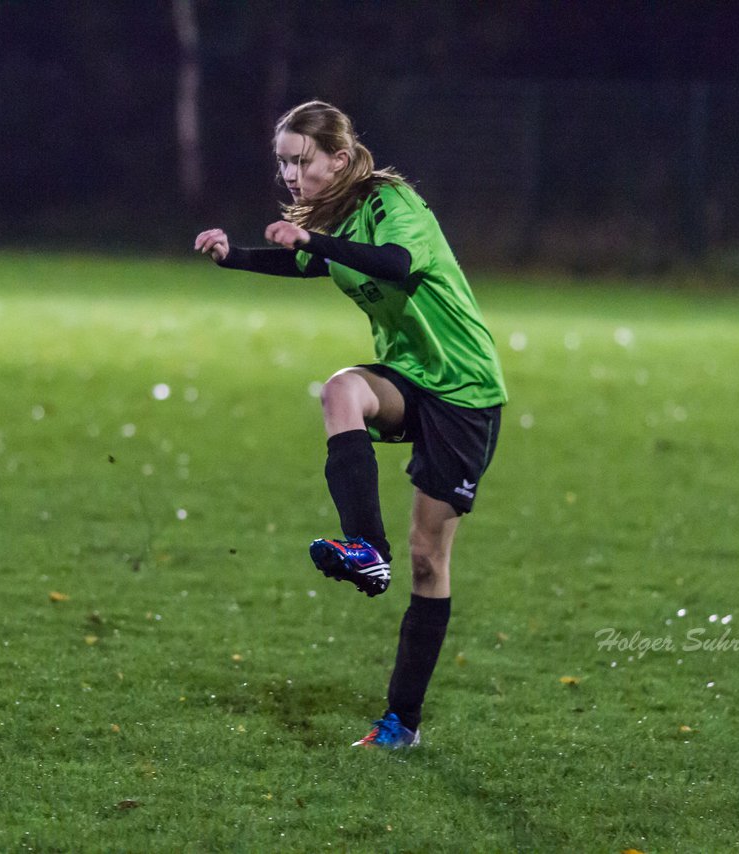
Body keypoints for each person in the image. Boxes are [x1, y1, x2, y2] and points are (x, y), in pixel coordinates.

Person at [194, 100, 507, 748]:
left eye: (301, 161)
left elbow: (395, 263)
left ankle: (403, 721)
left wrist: (315, 238)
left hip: (465, 391)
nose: (290, 175)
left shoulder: (392, 201)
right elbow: (304, 262)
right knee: (340, 392)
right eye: (282, 162)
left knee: (430, 560)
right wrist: (235, 258)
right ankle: (366, 547)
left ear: (339, 157)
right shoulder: (334, 218)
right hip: (409, 378)